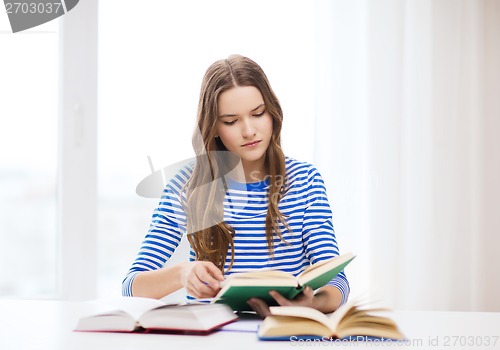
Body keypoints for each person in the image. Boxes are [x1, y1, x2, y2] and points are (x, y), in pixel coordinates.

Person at [122, 54, 349, 316]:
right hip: (212, 336)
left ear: (273, 113)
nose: (249, 130)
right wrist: (183, 274)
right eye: (231, 121)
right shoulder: (185, 187)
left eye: (258, 114)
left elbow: (337, 282)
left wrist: (313, 303)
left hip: (283, 332)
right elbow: (131, 286)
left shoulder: (306, 180)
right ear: (214, 127)